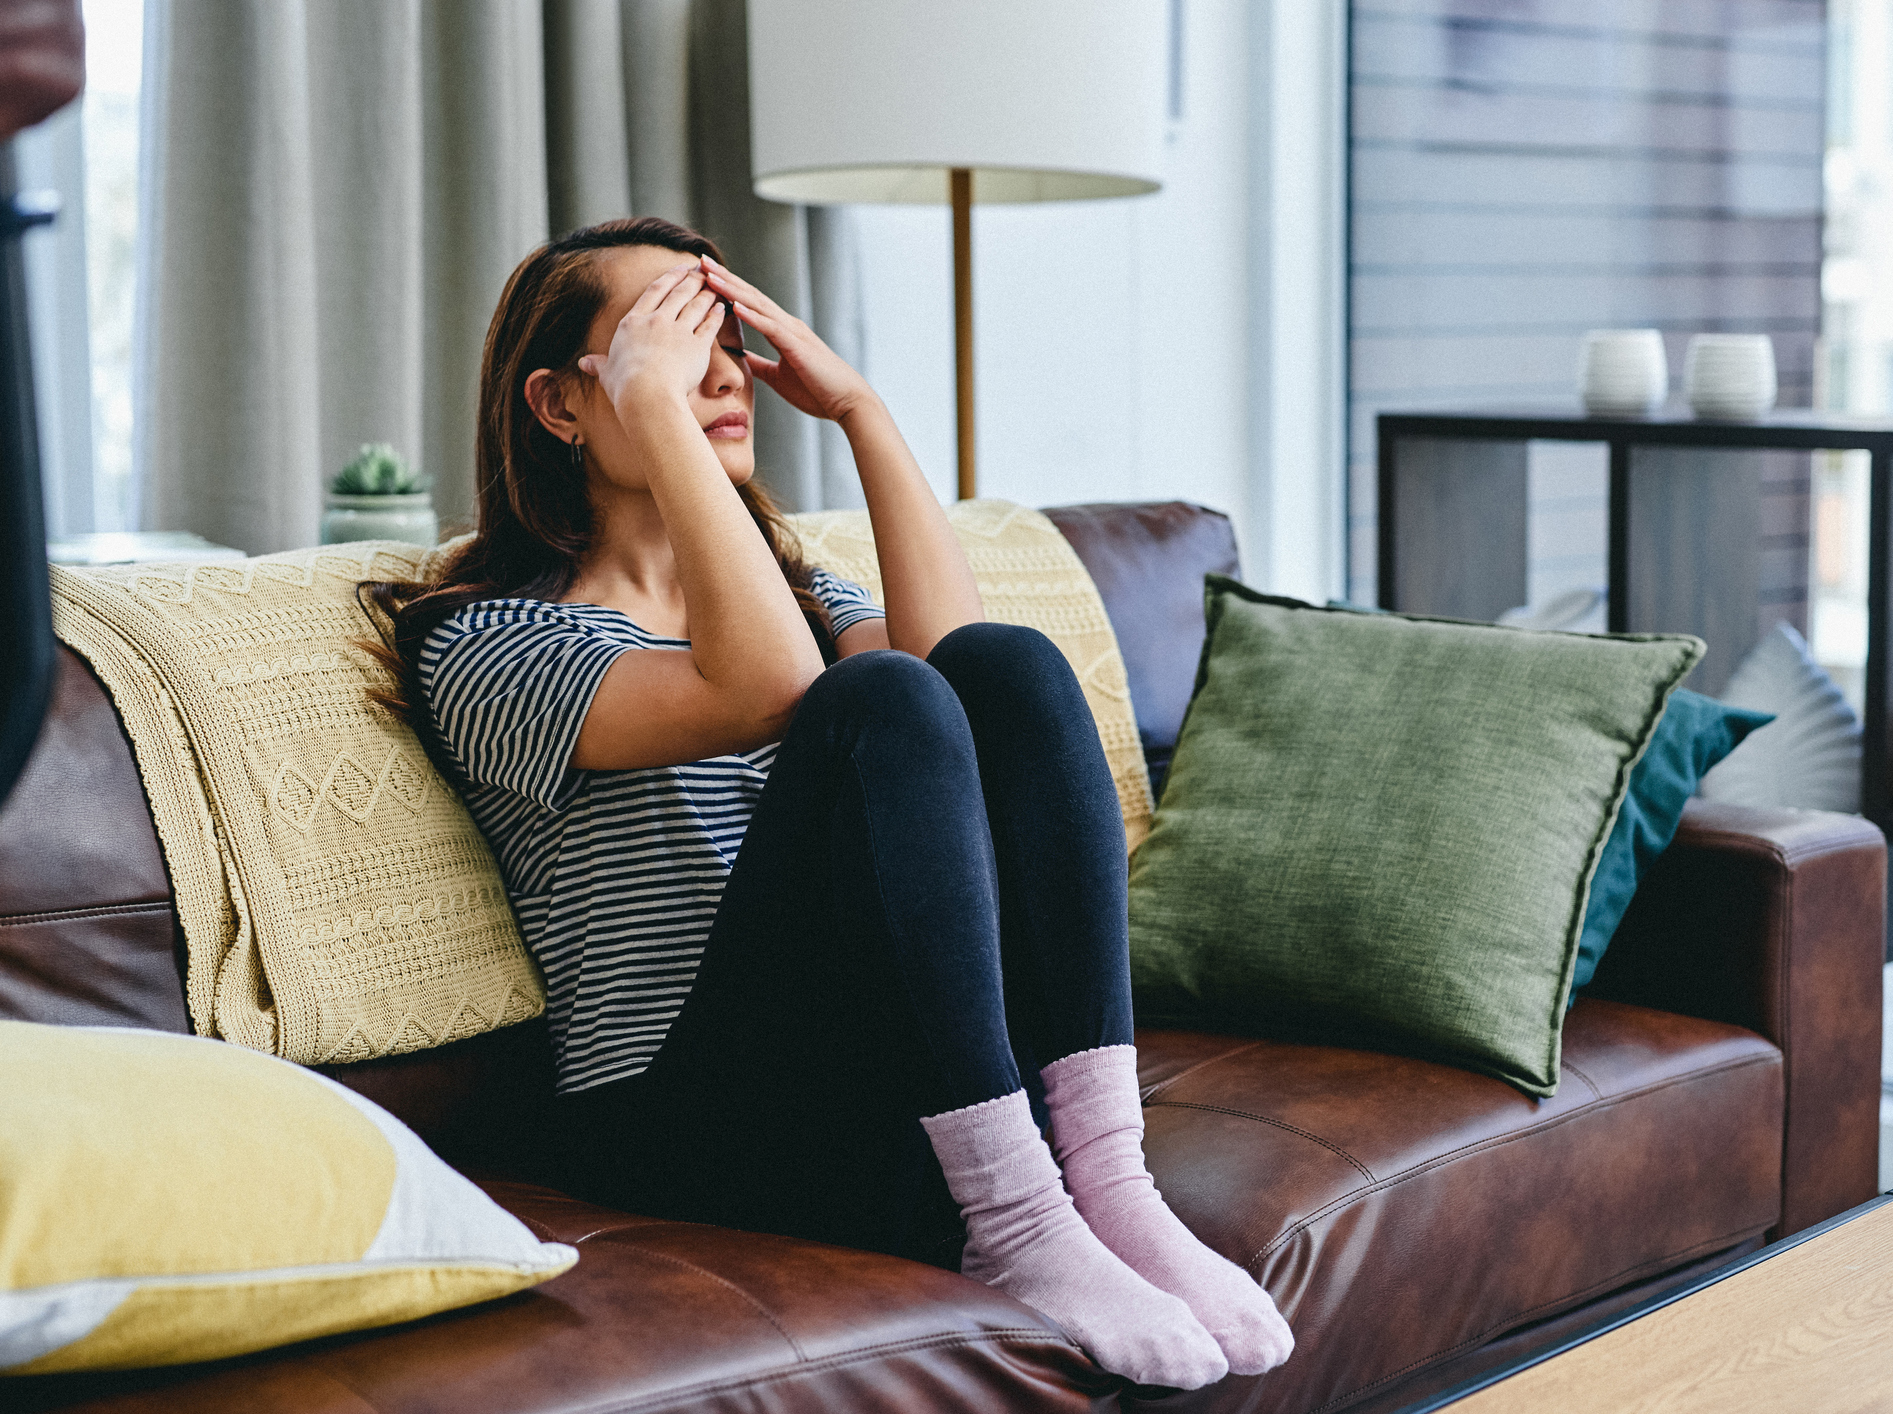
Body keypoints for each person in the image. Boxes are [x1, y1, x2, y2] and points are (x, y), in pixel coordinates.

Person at [365, 217, 1292, 1390]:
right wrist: (659, 413)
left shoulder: (795, 592)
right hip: (685, 1122)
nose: (717, 374)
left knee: (1004, 663)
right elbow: (774, 692)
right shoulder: (492, 641)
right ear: (561, 404)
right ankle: (1016, 1222)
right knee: (878, 700)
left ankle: (1106, 1185)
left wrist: (857, 410)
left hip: (896, 1087)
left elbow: (966, 671)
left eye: (727, 337)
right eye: (669, 342)